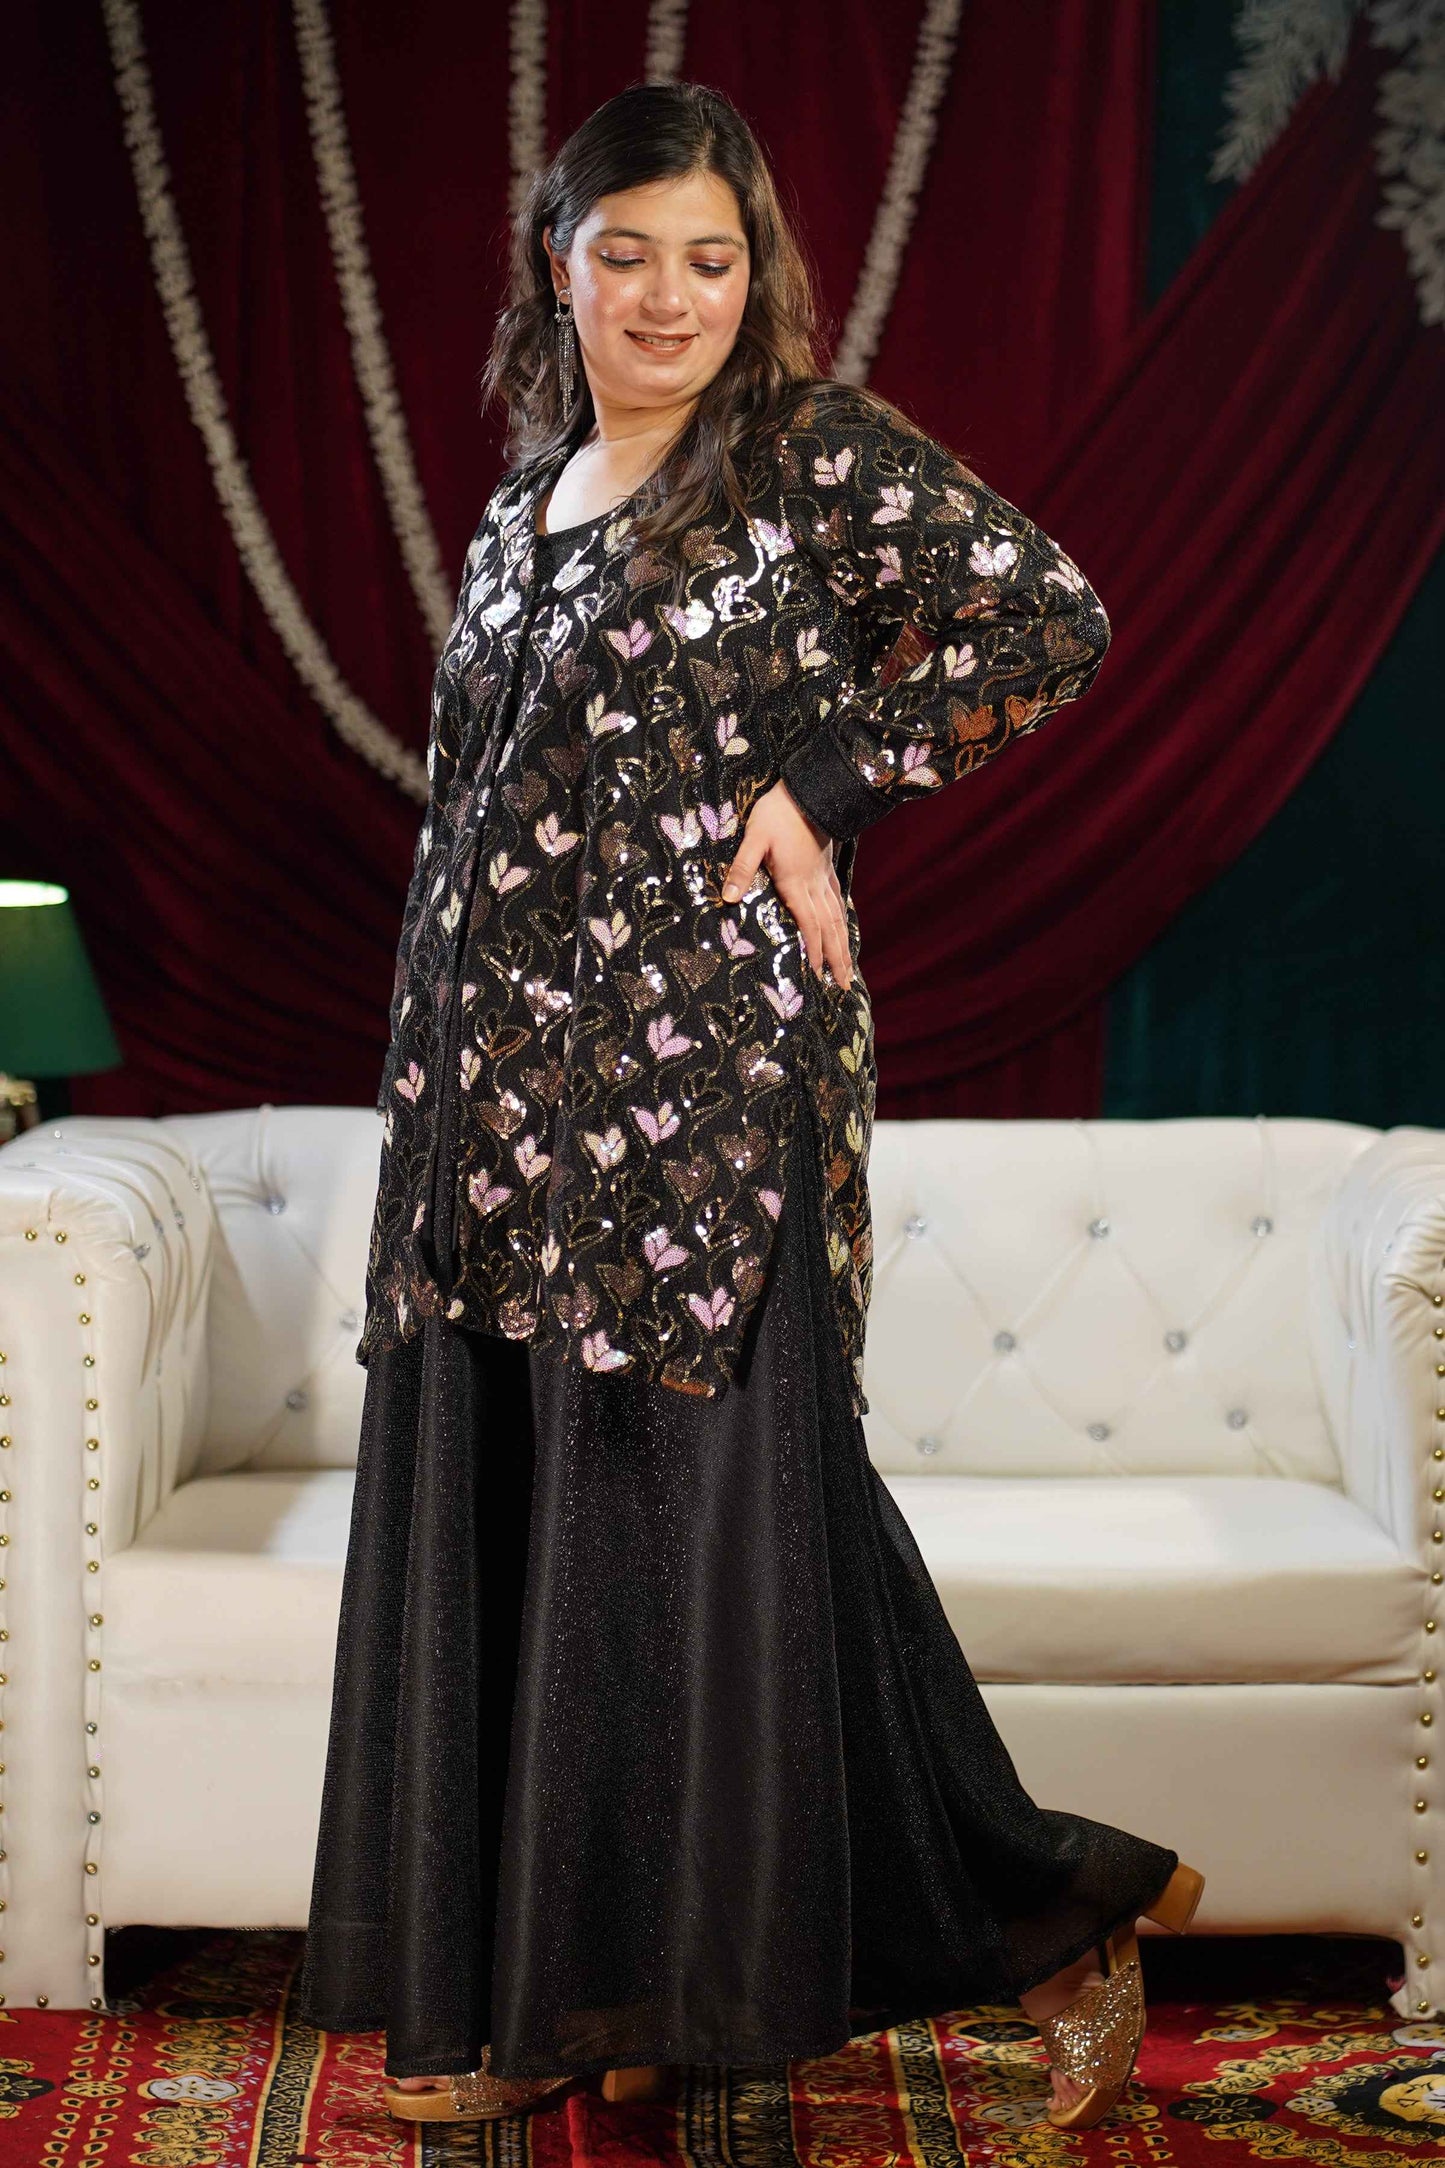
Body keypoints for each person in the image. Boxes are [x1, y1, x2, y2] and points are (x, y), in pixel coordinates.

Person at [296, 79, 1204, 2136]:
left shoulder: (805, 458)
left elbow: (1046, 615)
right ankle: (583, 1997)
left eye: (709, 259)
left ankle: (1053, 1912)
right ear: (559, 266)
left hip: (702, 1105)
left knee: (722, 1550)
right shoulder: (524, 507)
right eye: (626, 254)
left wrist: (826, 781)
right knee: (542, 1544)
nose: (669, 296)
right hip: (489, 1119)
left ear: (753, 275)